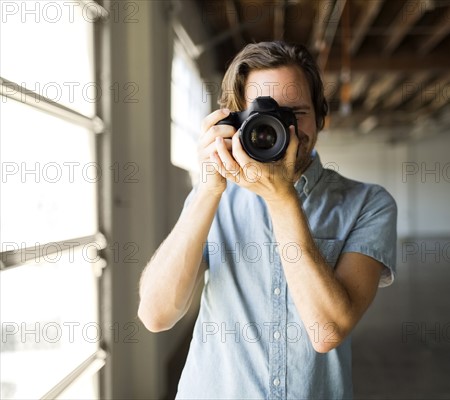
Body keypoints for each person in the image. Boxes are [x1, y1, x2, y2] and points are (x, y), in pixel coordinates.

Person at [138, 41, 397, 399]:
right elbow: (156, 315)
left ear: (321, 116)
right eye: (265, 114)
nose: (282, 127)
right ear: (236, 123)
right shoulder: (214, 198)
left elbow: (327, 332)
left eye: (296, 112)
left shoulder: (368, 203)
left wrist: (281, 198)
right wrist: (208, 190)